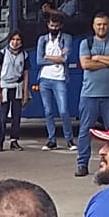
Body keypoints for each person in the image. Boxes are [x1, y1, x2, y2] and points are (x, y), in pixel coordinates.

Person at [76, 12, 109, 178]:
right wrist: (108, 61)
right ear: (93, 26)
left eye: (104, 24)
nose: (101, 27)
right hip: (89, 94)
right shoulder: (86, 43)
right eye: (98, 24)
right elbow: (85, 64)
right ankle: (82, 163)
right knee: (85, 130)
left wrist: (97, 58)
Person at [37, 14, 75, 151]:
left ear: (61, 26)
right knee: (48, 111)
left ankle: (69, 140)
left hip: (60, 78)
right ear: (48, 25)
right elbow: (39, 60)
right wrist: (56, 58)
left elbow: (65, 58)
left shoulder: (67, 38)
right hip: (44, 79)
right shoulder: (42, 39)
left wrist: (48, 56)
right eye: (52, 25)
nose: (54, 28)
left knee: (64, 110)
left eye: (56, 26)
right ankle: (51, 139)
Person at [0, 30, 29, 153]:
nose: (15, 42)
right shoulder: (2, 53)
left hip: (17, 86)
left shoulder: (24, 54)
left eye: (18, 40)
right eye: (13, 39)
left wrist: (25, 92)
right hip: (4, 86)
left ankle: (14, 141)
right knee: (2, 116)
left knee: (16, 116)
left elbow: (26, 73)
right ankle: (0, 141)